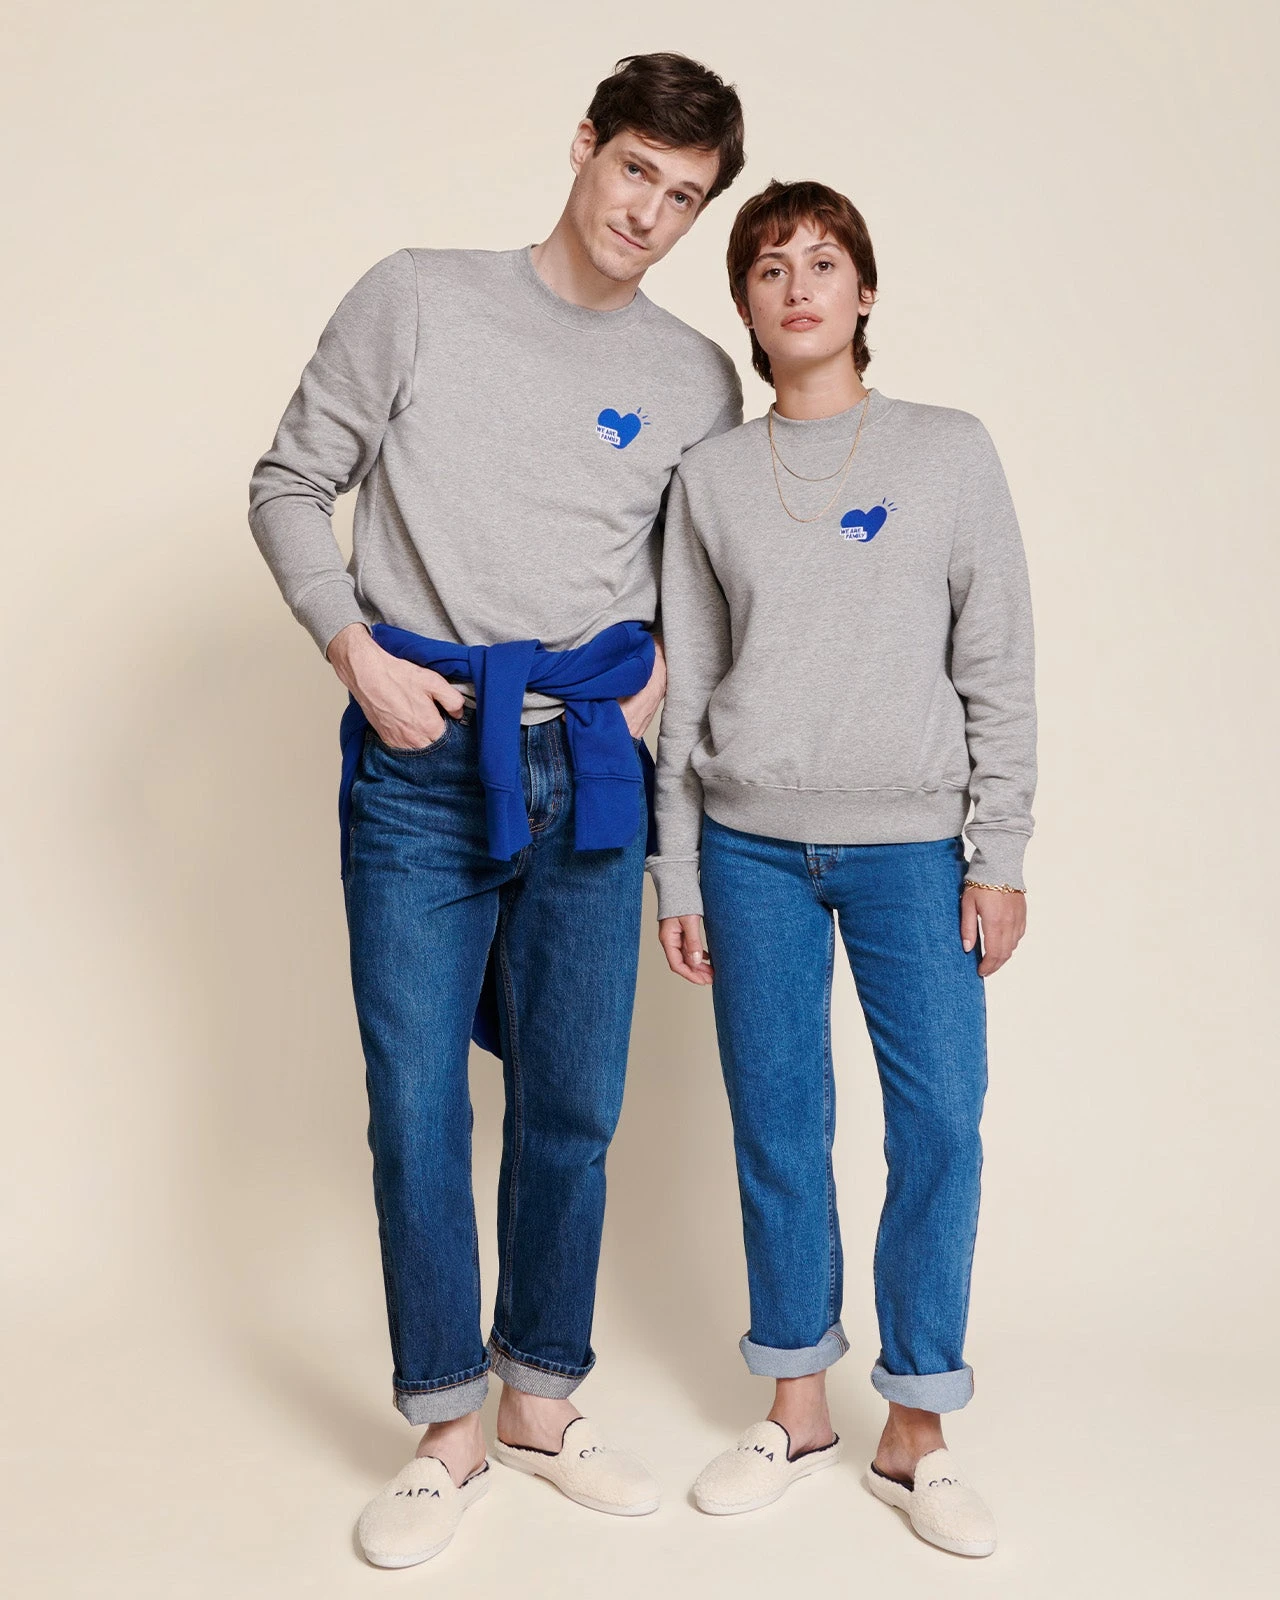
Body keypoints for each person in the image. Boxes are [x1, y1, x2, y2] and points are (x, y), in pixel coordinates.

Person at [247, 53, 745, 1569]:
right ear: (585, 146)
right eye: (635, 170)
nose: (647, 212)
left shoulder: (695, 380)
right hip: (422, 759)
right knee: (415, 1104)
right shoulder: (416, 296)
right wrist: (354, 652)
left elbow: (691, 590)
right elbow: (288, 483)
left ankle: (540, 1397)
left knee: (573, 1103)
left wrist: (660, 683)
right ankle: (446, 1428)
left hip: (589, 766)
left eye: (683, 197)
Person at [648, 179, 1036, 1558]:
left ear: (865, 293)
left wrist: (999, 851)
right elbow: (687, 684)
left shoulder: (949, 452)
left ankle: (916, 1426)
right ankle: (798, 1406)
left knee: (939, 1126)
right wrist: (677, 871)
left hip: (914, 849)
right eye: (768, 268)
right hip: (747, 846)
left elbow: (997, 661)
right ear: (745, 308)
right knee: (777, 1125)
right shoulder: (709, 478)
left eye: (822, 262)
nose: (797, 285)